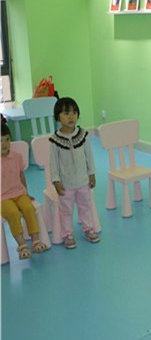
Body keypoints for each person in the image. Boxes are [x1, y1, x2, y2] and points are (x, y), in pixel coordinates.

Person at [49, 97, 100, 249]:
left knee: (85, 206)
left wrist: (92, 174)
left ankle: (88, 229)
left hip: (83, 181)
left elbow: (89, 156)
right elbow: (53, 163)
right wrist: (56, 181)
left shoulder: (83, 135)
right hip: (66, 184)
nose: (71, 116)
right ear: (58, 117)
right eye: (66, 113)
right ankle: (67, 234)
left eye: (74, 113)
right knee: (66, 210)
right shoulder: (55, 140)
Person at [1, 122, 49, 259]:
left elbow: (21, 175)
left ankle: (35, 240)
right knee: (13, 213)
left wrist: (26, 192)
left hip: (19, 192)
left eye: (7, 139)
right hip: (2, 198)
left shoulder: (16, 156)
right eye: (0, 141)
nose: (4, 144)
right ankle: (22, 245)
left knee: (29, 208)